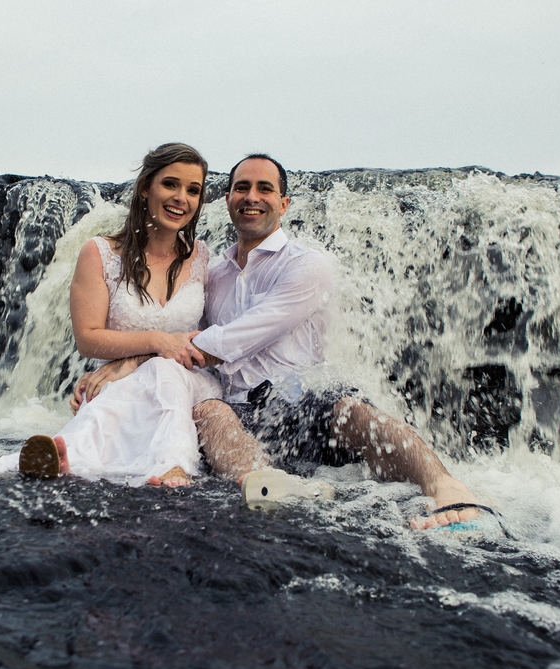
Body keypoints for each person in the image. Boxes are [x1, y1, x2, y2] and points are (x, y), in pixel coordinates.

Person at [75, 154, 493, 530]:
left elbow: (236, 336)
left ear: (284, 203)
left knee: (351, 411)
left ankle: (445, 486)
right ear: (227, 200)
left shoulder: (306, 266)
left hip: (299, 398)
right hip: (236, 406)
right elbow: (179, 340)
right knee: (208, 412)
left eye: (264, 188)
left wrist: (142, 353)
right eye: (241, 187)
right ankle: (267, 484)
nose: (251, 197)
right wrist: (128, 363)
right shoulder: (212, 271)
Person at [0, 142, 220, 486]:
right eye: (170, 184)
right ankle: (66, 457)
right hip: (121, 383)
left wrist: (143, 355)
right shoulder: (99, 252)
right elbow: (88, 338)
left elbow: (215, 337)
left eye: (193, 190)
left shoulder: (203, 258)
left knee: (163, 370)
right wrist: (156, 344)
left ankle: (174, 463)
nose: (182, 198)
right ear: (146, 187)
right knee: (110, 397)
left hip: (189, 383)